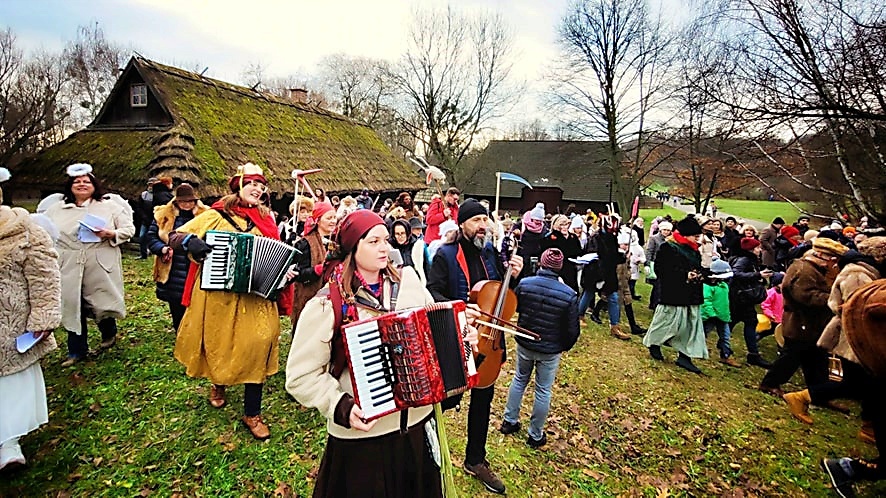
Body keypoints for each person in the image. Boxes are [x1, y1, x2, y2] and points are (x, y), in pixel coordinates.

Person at [285, 210, 479, 497]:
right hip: (364, 440)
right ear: (353, 246)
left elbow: (435, 338)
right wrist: (341, 406)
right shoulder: (327, 305)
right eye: (373, 241)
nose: (384, 248)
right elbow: (300, 377)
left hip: (416, 427)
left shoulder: (410, 284)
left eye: (385, 240)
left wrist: (464, 341)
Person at [167, 163, 284, 440]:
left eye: (261, 185)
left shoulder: (267, 219)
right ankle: (218, 382)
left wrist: (284, 271)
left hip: (255, 296)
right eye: (252, 183)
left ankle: (252, 413)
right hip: (219, 295)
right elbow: (173, 236)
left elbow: (277, 253)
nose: (257, 188)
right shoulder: (216, 214)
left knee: (260, 342)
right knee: (221, 341)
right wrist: (189, 244)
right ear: (239, 186)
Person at [426, 198, 523, 495]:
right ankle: (427, 451)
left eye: (485, 221)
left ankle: (475, 459)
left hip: (489, 341)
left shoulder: (491, 254)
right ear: (462, 224)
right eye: (476, 221)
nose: (482, 226)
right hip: (456, 337)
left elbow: (499, 297)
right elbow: (432, 291)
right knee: (444, 399)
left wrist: (514, 278)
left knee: (483, 401)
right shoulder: (446, 254)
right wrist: (460, 309)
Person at [784, 237, 885, 427]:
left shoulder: (867, 272)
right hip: (854, 335)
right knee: (858, 383)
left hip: (861, 335)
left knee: (866, 383)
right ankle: (802, 397)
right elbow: (854, 307)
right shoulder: (857, 274)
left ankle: (868, 425)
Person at [43, 163, 135, 367]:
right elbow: (44, 233)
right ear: (70, 186)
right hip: (68, 261)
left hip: (99, 259)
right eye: (77, 182)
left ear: (94, 185)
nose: (82, 185)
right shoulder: (56, 209)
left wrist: (111, 234)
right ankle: (76, 350)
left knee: (101, 301)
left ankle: (108, 333)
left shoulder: (109, 206)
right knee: (72, 304)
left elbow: (129, 230)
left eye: (86, 181)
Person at [0, 168, 61, 470]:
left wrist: (44, 316)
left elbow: (44, 276)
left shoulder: (24, 230)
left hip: (10, 323)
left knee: (11, 383)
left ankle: (9, 444)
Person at [499, 248, 580, 449]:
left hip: (526, 344)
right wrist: (563, 346)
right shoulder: (569, 294)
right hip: (549, 349)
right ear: (559, 268)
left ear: (541, 264)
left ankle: (510, 420)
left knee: (519, 379)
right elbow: (572, 330)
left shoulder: (525, 284)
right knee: (543, 389)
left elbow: (517, 306)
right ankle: (535, 434)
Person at [820, 279, 886, 497]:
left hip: (856, 346)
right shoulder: (857, 274)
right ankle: (805, 396)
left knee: (842, 381)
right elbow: (851, 303)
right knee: (839, 379)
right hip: (848, 341)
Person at [758, 237, 847, 397]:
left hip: (810, 324)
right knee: (791, 357)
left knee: (815, 359)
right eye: (832, 259)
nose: (833, 263)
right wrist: (834, 299)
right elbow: (806, 296)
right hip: (800, 322)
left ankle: (817, 394)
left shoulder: (813, 269)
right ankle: (770, 383)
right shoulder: (805, 270)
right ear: (821, 255)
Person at [643, 215, 709, 374]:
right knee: (666, 323)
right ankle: (654, 344)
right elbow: (661, 270)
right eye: (696, 236)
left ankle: (685, 356)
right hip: (673, 294)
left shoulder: (694, 251)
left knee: (690, 326)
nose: (698, 239)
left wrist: (703, 275)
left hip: (691, 295)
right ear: (686, 235)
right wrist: (684, 275)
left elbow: (697, 268)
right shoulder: (669, 247)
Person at [146, 183, 208, 332]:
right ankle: (179, 329)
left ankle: (193, 331)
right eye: (183, 201)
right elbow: (151, 237)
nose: (186, 204)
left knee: (196, 300)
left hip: (196, 265)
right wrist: (162, 249)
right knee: (176, 301)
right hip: (173, 266)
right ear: (176, 201)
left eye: (190, 201)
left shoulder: (206, 216)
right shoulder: (163, 216)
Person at [728, 238, 774, 368]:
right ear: (751, 249)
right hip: (741, 298)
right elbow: (736, 273)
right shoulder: (745, 259)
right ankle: (750, 354)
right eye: (758, 248)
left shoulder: (750, 260)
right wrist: (758, 275)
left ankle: (752, 354)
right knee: (733, 322)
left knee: (747, 322)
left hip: (743, 298)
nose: (760, 250)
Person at [290, 201, 336, 327]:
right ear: (318, 220)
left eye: (334, 217)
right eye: (329, 218)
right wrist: (317, 270)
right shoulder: (305, 243)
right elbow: (297, 274)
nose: (333, 221)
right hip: (308, 298)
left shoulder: (335, 241)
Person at [702, 259, 737, 366]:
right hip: (711, 317)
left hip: (723, 317)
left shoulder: (724, 286)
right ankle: (697, 350)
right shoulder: (707, 286)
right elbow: (706, 301)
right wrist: (711, 314)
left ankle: (725, 355)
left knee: (725, 337)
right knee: (703, 334)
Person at [541, 214, 582, 292]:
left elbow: (579, 251)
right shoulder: (550, 238)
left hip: (571, 268)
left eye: (566, 224)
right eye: (562, 225)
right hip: (557, 269)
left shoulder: (573, 237)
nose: (564, 227)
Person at [389, 218, 428, 283]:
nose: (400, 236)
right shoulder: (390, 247)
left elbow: (426, 267)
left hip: (416, 282)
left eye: (403, 233)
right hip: (396, 283)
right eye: (397, 234)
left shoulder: (417, 246)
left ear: (408, 233)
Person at [645, 220, 672, 311]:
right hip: (655, 264)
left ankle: (655, 303)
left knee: (660, 286)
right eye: (664, 230)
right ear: (660, 230)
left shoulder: (670, 239)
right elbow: (649, 251)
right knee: (657, 286)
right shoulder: (654, 238)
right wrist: (647, 264)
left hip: (666, 265)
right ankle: (654, 304)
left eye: (668, 230)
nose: (666, 232)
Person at [516, 203, 547, 279]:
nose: (538, 222)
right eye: (537, 220)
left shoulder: (544, 228)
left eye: (540, 220)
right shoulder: (521, 225)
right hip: (522, 255)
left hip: (536, 256)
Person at [137, 177, 158, 258]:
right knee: (142, 236)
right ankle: (143, 254)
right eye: (150, 184)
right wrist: (143, 217)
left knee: (153, 237)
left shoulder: (158, 196)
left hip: (155, 220)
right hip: (145, 220)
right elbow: (139, 207)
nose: (151, 186)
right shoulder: (143, 195)